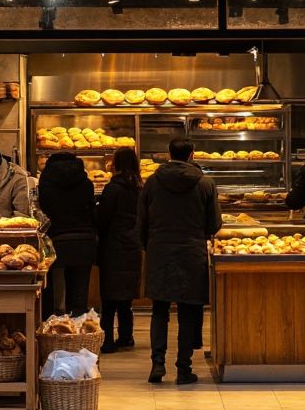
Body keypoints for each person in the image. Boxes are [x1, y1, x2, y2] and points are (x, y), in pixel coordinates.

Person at [139, 138, 221, 385]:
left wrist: (149, 246)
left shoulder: (152, 183)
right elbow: (214, 224)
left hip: (160, 251)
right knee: (188, 312)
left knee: (159, 310)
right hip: (191, 252)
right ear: (192, 155)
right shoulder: (205, 183)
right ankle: (184, 369)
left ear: (168, 154)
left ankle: (157, 364)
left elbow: (141, 222)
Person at [37, 152, 98, 316]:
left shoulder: (46, 181)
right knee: (79, 293)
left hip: (56, 239)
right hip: (83, 239)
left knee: (49, 289)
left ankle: (51, 329)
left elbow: (44, 208)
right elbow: (91, 210)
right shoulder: (86, 182)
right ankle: (77, 333)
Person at [95, 147, 143, 353]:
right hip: (132, 245)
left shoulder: (113, 189)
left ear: (118, 164)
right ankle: (126, 336)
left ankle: (106, 341)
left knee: (109, 298)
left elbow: (102, 218)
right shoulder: (141, 187)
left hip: (112, 245)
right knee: (126, 298)